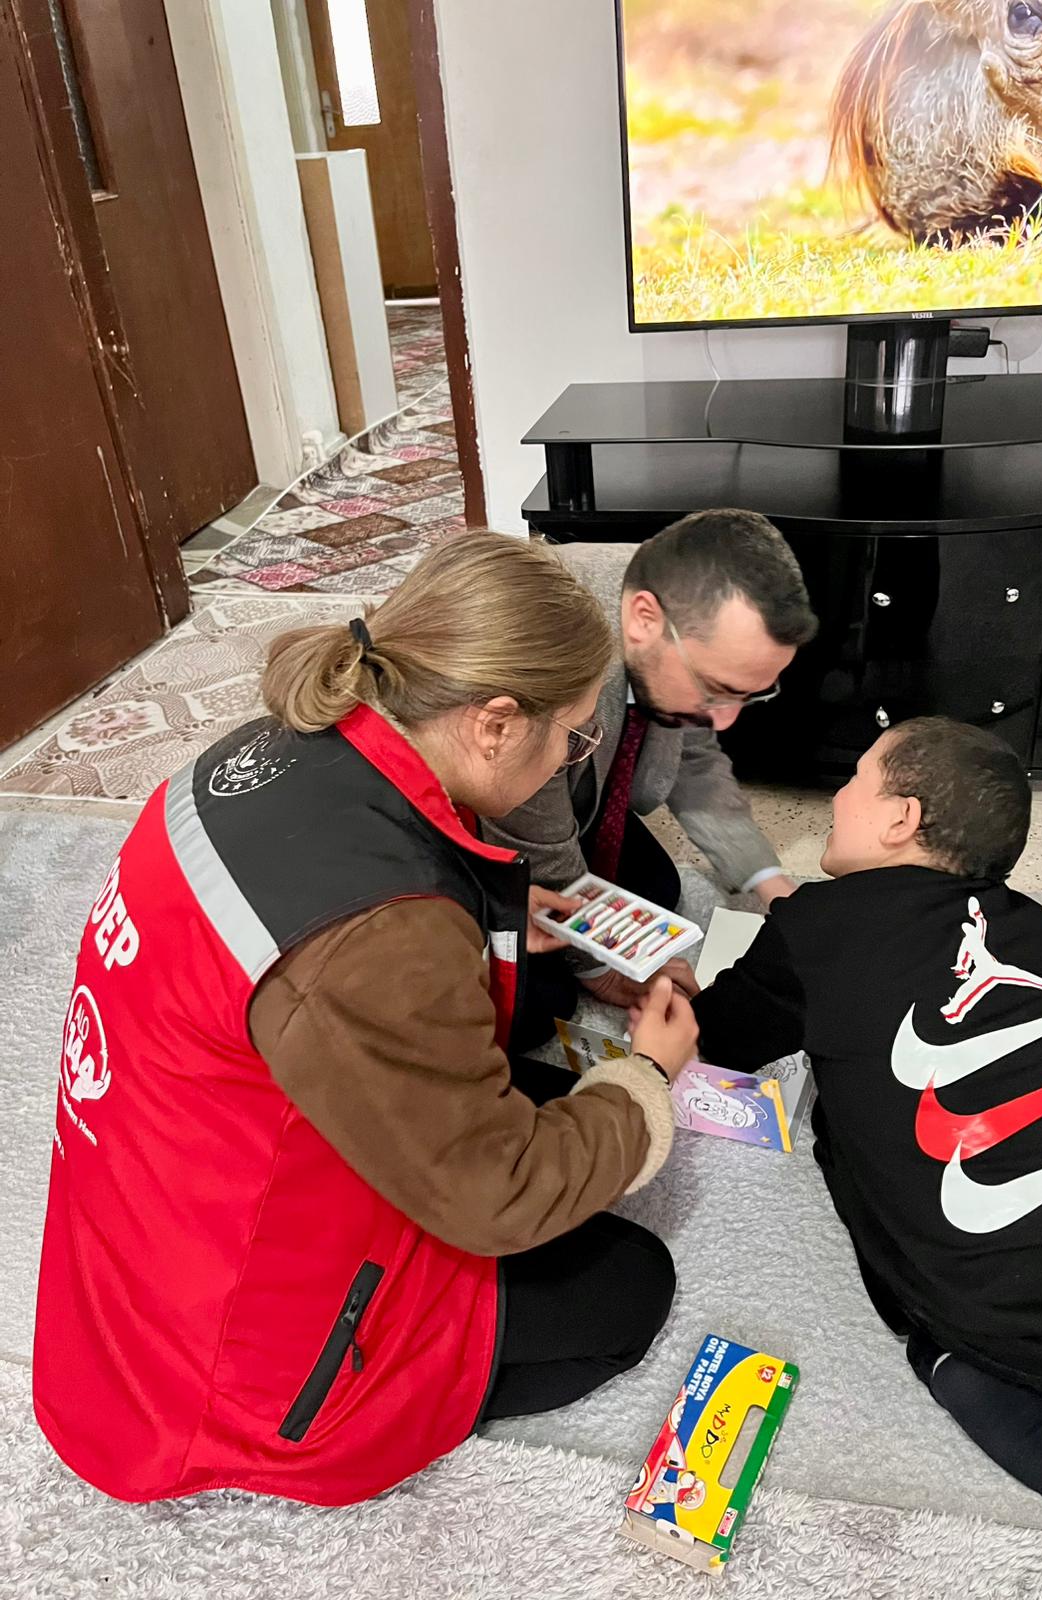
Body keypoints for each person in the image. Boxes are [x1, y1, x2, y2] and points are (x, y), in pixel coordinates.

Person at [33, 531, 699, 1508]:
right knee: (628, 1285)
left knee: (551, 1098)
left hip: (167, 1199)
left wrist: (524, 929)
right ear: (495, 723)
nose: (572, 757)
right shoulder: (380, 938)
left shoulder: (276, 745)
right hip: (223, 1348)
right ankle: (332, 1419)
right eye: (572, 735)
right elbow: (493, 1194)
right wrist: (645, 1079)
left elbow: (388, 929)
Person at [690, 717, 1042, 1517]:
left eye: (855, 779)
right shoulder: (1028, 923)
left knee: (848, 1142)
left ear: (902, 818)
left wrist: (671, 1015)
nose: (838, 797)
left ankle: (953, 1362)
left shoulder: (811, 928)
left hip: (984, 1302)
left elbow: (720, 1039)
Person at [484, 509, 818, 1048]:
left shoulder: (675, 605)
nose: (725, 721)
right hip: (491, 809)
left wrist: (770, 883)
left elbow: (696, 760)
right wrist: (600, 969)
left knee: (659, 888)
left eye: (747, 695)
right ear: (645, 618)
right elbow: (527, 827)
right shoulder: (543, 653)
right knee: (535, 1007)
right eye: (716, 689)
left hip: (569, 791)